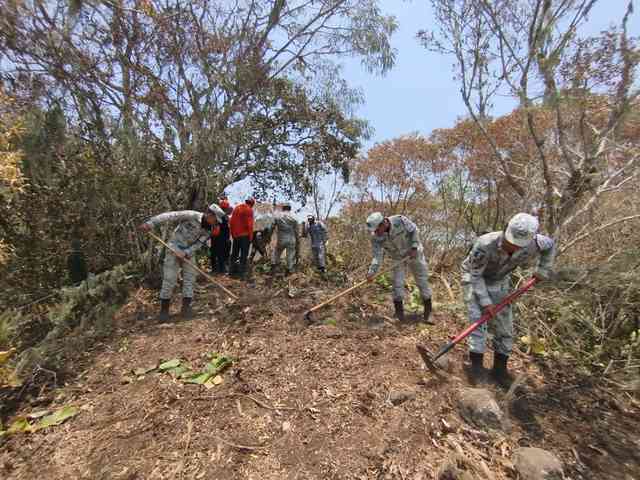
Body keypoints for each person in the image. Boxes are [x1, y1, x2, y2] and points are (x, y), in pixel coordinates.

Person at [461, 212, 555, 388]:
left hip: (499, 281)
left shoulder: (537, 242)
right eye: (509, 242)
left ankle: (499, 370)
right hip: (474, 278)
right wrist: (486, 303)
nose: (511, 247)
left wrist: (543, 269)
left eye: (517, 246)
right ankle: (476, 369)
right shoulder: (484, 244)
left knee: (505, 327)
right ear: (506, 229)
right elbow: (475, 275)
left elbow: (550, 246)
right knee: (478, 322)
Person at [139, 203, 225, 321]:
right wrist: (151, 223)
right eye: (215, 220)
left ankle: (186, 308)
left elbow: (199, 243)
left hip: (189, 253)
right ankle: (164, 312)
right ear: (210, 214)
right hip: (173, 248)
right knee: (169, 279)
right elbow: (170, 216)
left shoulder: (209, 230)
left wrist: (187, 252)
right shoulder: (191, 215)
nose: (216, 223)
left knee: (190, 278)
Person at [366, 212, 433, 324]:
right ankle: (399, 314)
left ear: (383, 223)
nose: (376, 233)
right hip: (398, 258)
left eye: (377, 230)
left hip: (414, 253)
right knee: (397, 283)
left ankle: (429, 312)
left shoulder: (400, 220)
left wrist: (414, 246)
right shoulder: (376, 238)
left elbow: (414, 231)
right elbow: (377, 256)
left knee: (422, 281)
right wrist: (371, 272)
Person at [229, 198, 255, 277]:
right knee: (243, 255)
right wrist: (251, 237)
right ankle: (241, 274)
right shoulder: (249, 210)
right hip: (245, 236)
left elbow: (231, 222)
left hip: (236, 235)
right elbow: (250, 225)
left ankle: (231, 272)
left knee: (234, 254)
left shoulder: (236, 208)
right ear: (252, 204)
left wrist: (233, 234)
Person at [271, 203, 299, 275]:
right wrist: (297, 240)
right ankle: (289, 269)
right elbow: (296, 230)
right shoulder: (294, 217)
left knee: (277, 251)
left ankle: (274, 265)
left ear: (283, 208)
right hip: (291, 239)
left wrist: (269, 235)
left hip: (281, 238)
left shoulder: (278, 215)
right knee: (290, 255)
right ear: (290, 208)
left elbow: (272, 226)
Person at [210, 200, 232, 274]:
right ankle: (221, 270)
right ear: (226, 208)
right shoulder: (224, 217)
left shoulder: (215, 215)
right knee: (221, 254)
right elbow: (226, 228)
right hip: (222, 238)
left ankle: (214, 269)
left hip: (214, 237)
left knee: (213, 252)